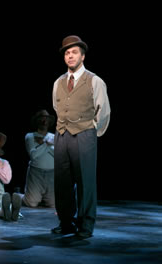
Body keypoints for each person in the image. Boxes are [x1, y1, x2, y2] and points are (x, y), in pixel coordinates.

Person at [51, 35, 111, 238]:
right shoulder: (58, 82)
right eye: (67, 53)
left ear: (82, 56)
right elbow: (56, 107)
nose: (70, 56)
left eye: (74, 52)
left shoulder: (94, 81)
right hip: (61, 135)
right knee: (62, 182)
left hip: (85, 134)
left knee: (86, 181)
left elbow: (103, 112)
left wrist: (92, 131)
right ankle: (66, 222)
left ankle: (85, 225)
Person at [22, 109, 55, 208]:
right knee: (31, 203)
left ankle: (40, 197)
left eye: (46, 119)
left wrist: (43, 143)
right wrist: (47, 144)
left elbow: (58, 154)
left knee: (52, 205)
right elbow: (34, 155)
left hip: (52, 173)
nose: (44, 121)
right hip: (36, 173)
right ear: (37, 121)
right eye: (41, 118)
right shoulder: (30, 136)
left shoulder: (53, 136)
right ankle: (20, 196)